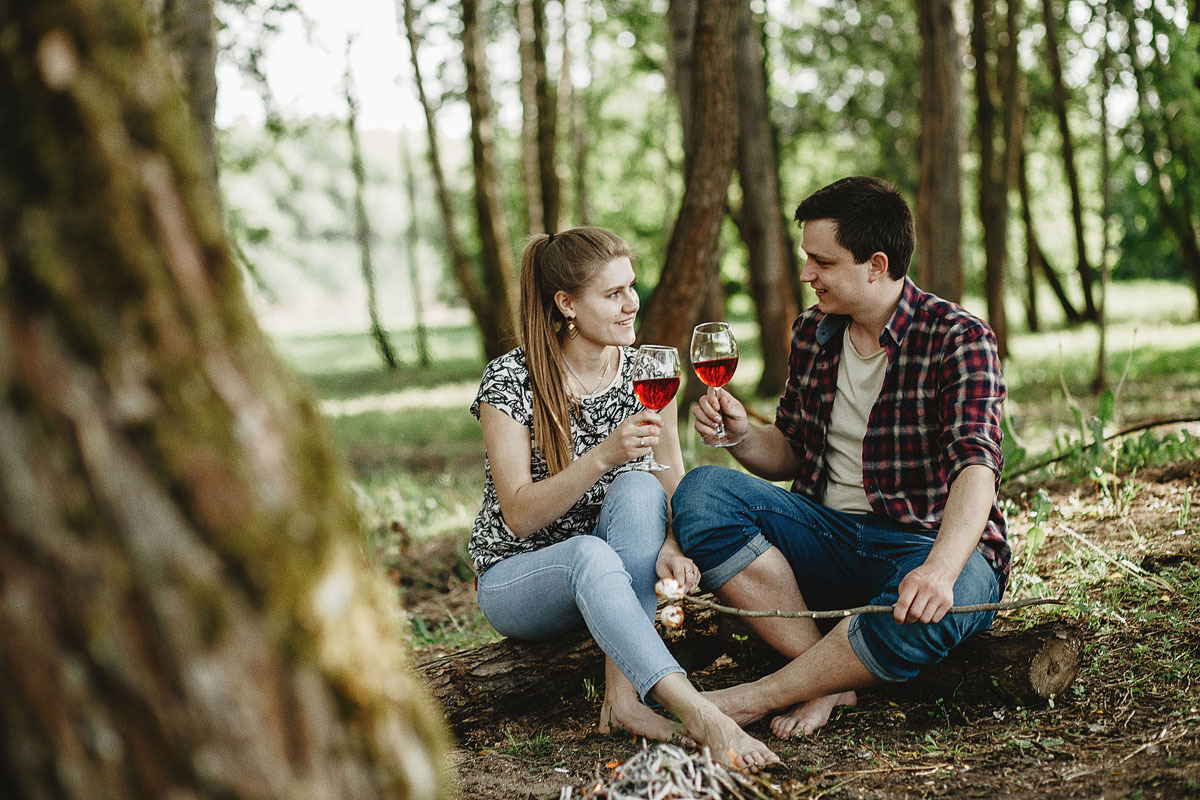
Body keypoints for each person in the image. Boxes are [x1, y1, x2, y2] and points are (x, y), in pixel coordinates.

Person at [672, 177, 1011, 738]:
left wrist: (941, 570)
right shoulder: (813, 331)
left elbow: (976, 466)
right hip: (825, 540)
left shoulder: (958, 337)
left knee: (946, 605)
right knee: (702, 493)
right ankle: (828, 677)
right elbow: (793, 451)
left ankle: (761, 696)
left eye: (821, 261)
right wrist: (741, 436)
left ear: (876, 265)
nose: (807, 274)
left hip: (921, 545)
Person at [470, 226, 778, 769]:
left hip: (617, 573)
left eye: (631, 286)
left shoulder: (645, 371)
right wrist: (600, 458)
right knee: (594, 545)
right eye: (613, 294)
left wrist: (675, 546)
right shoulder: (510, 381)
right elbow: (517, 515)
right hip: (520, 578)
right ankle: (699, 713)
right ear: (566, 304)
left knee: (639, 485)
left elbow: (669, 477)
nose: (632, 302)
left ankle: (622, 699)